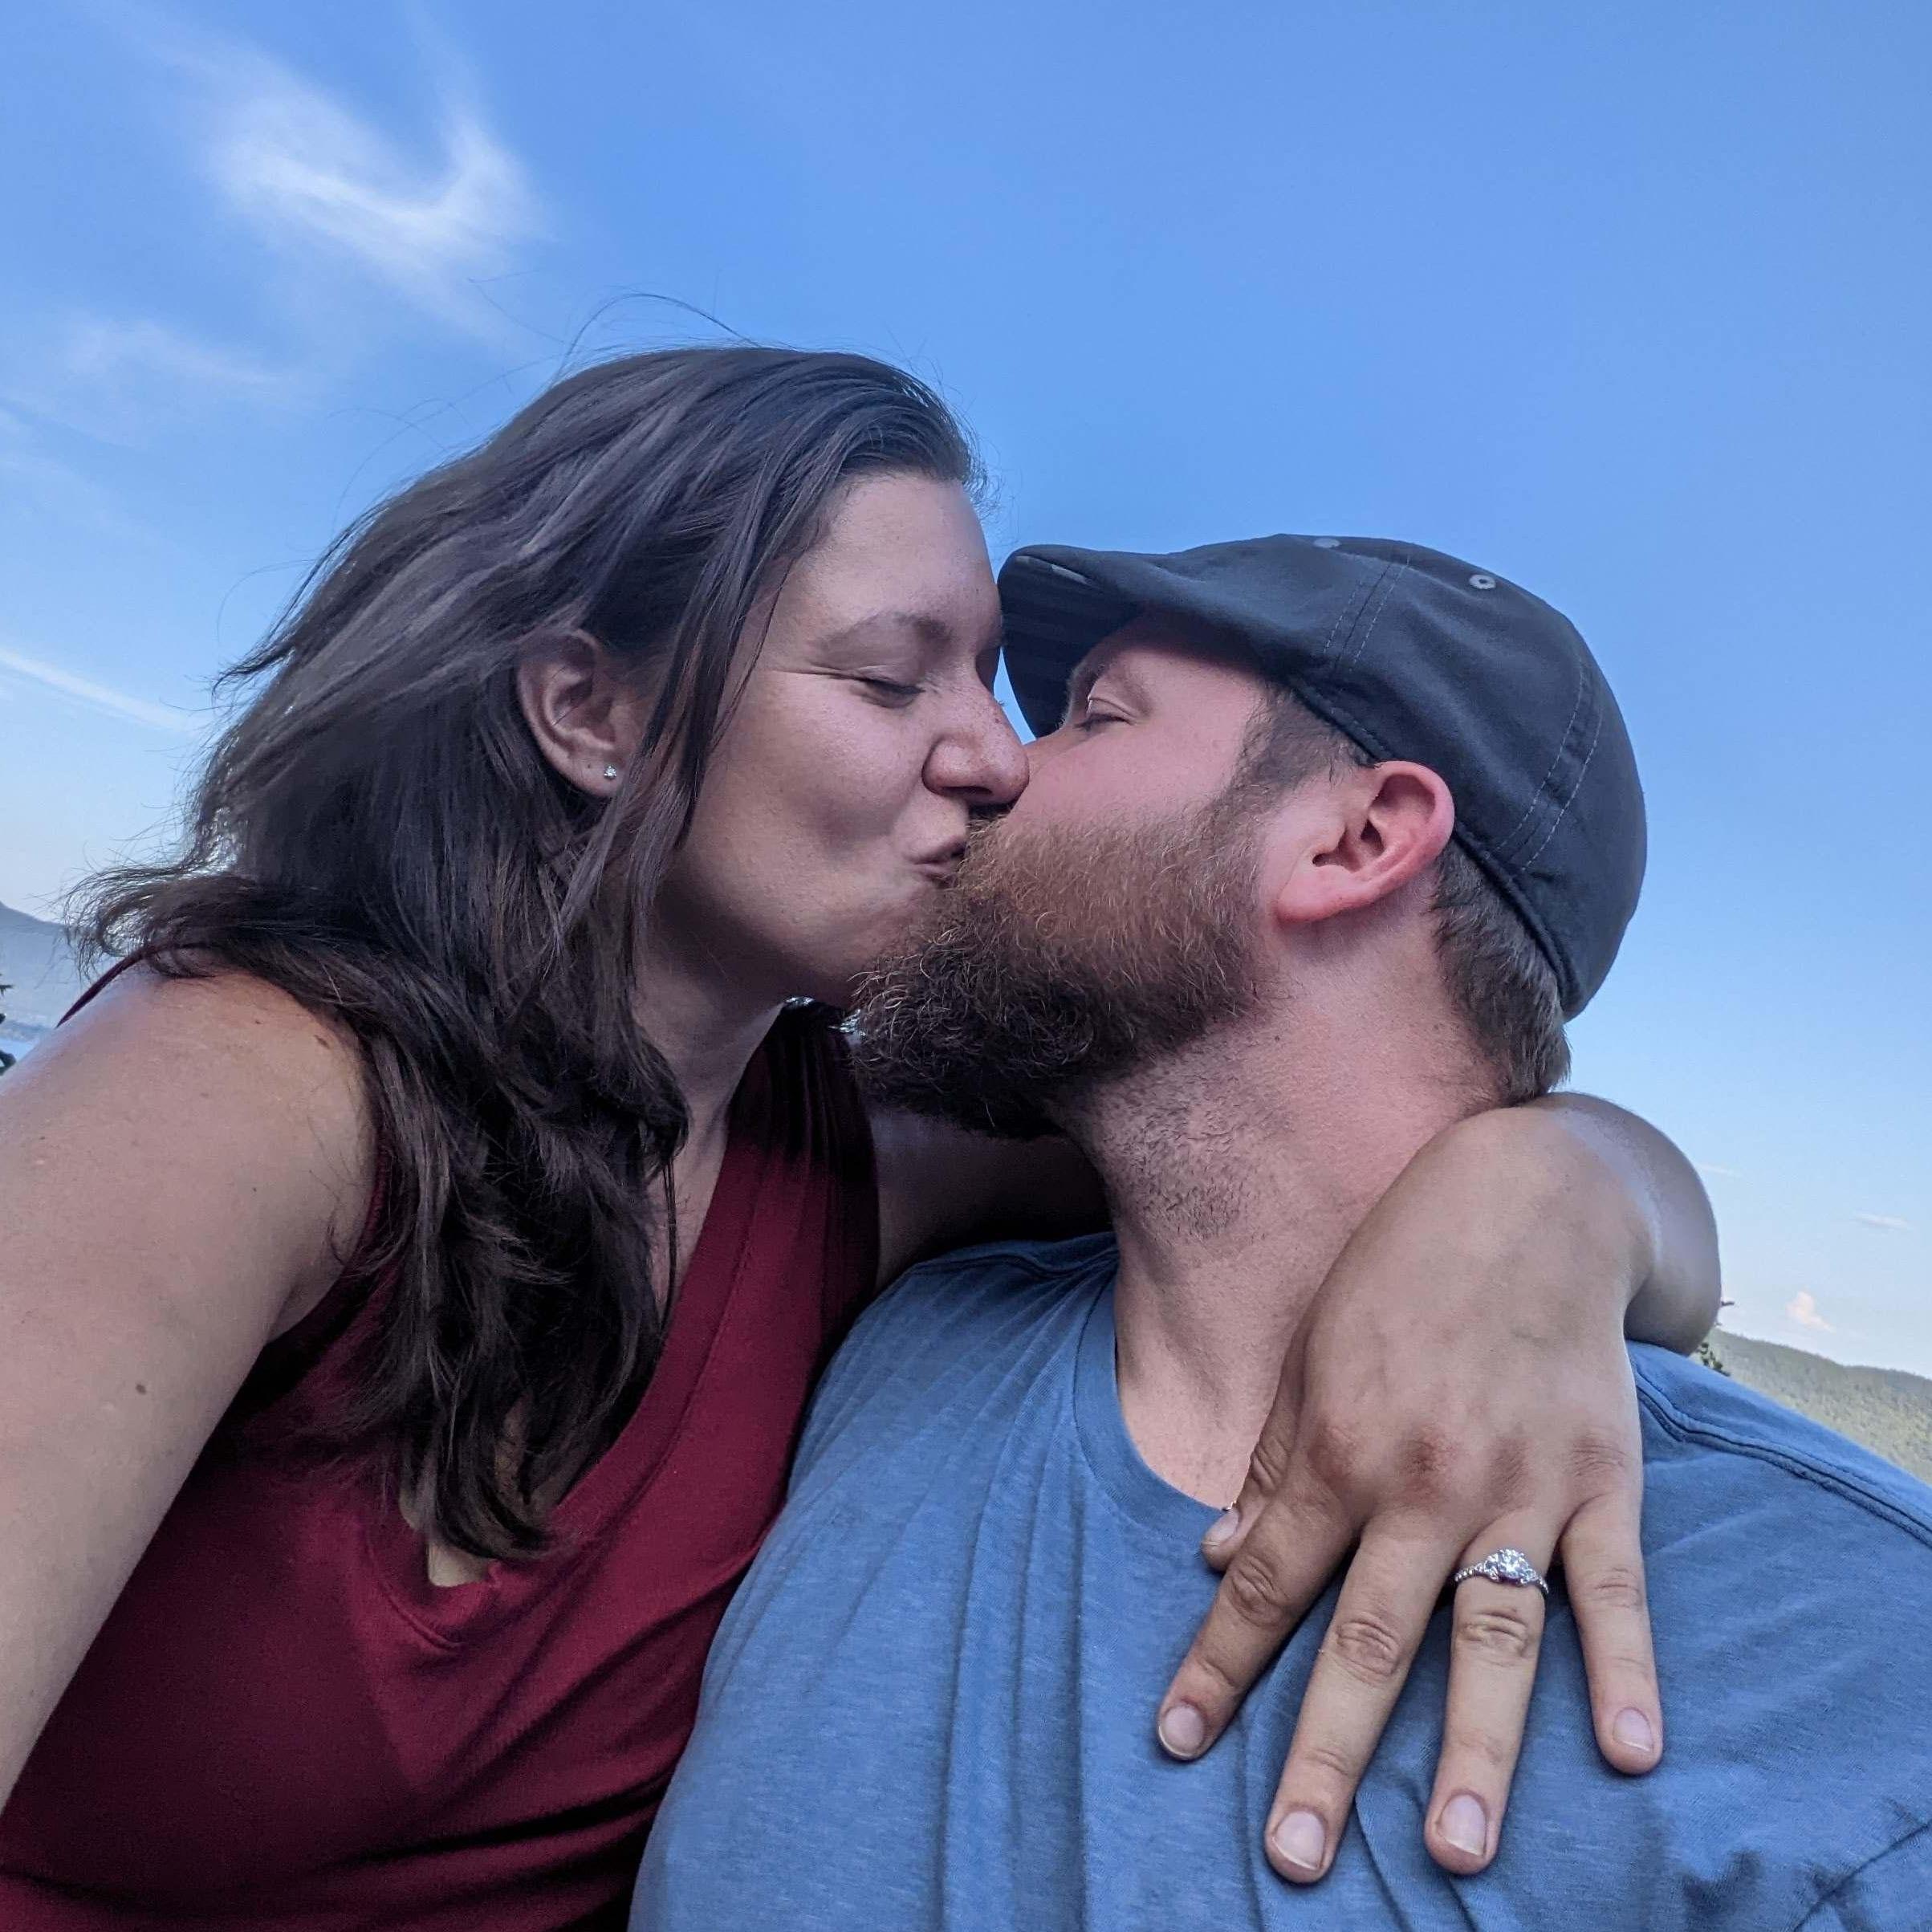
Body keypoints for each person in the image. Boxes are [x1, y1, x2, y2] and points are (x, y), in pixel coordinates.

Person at [0, 354, 1716, 1926]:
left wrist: (1558, 1192)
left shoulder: (857, 1167)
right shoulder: (252, 1092)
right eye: (896, 679)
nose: (997, 757)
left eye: (1007, 687)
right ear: (590, 711)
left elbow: (1283, 1140)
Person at [636, 534, 1932, 1930]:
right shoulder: (898, 1330)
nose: (1002, 767)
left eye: (1096, 715)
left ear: (1356, 842)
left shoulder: (1853, 1662)